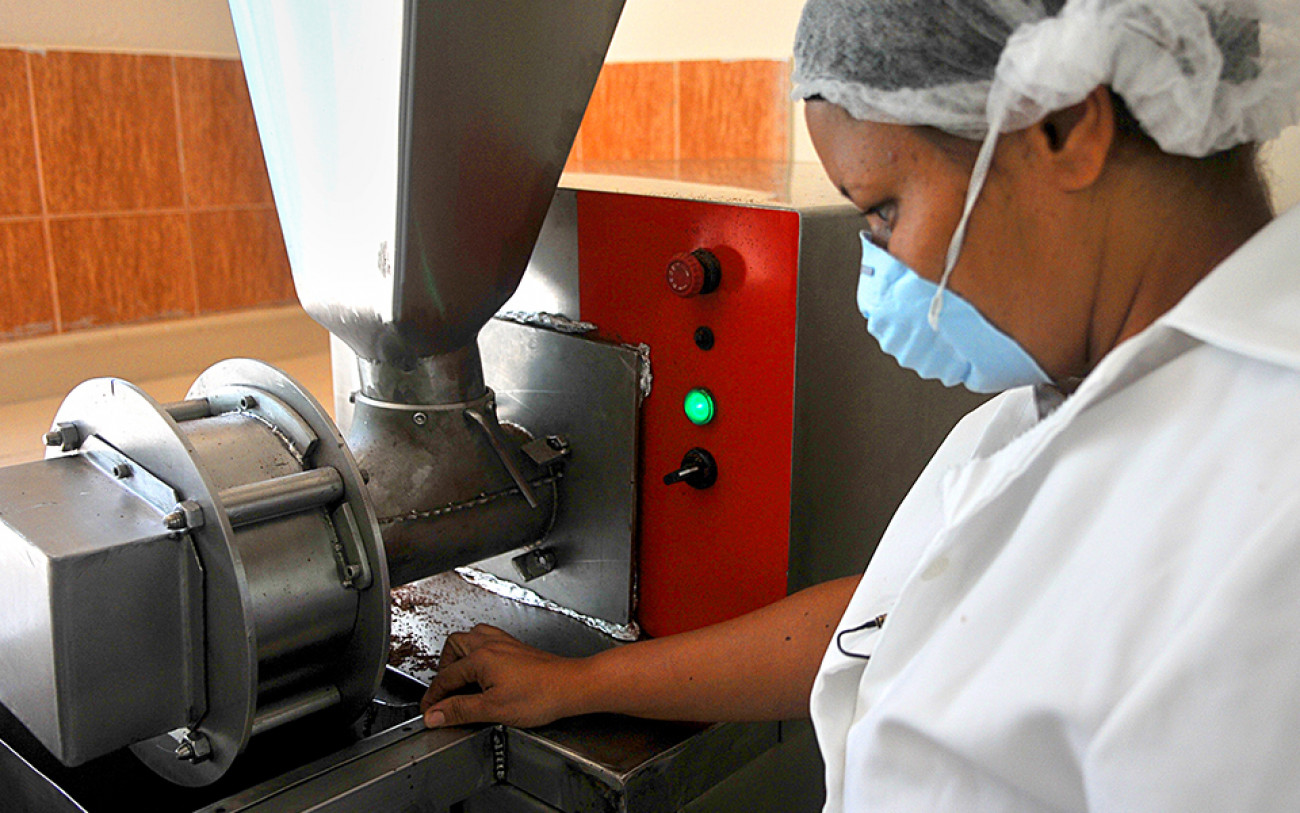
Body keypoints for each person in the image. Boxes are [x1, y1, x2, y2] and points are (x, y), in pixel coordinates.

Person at [422, 1, 1300, 809]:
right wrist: (585, 682)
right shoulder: (1047, 403)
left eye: (882, 211)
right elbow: (896, 614)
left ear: (1064, 126)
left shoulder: (1270, 518)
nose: (877, 271)